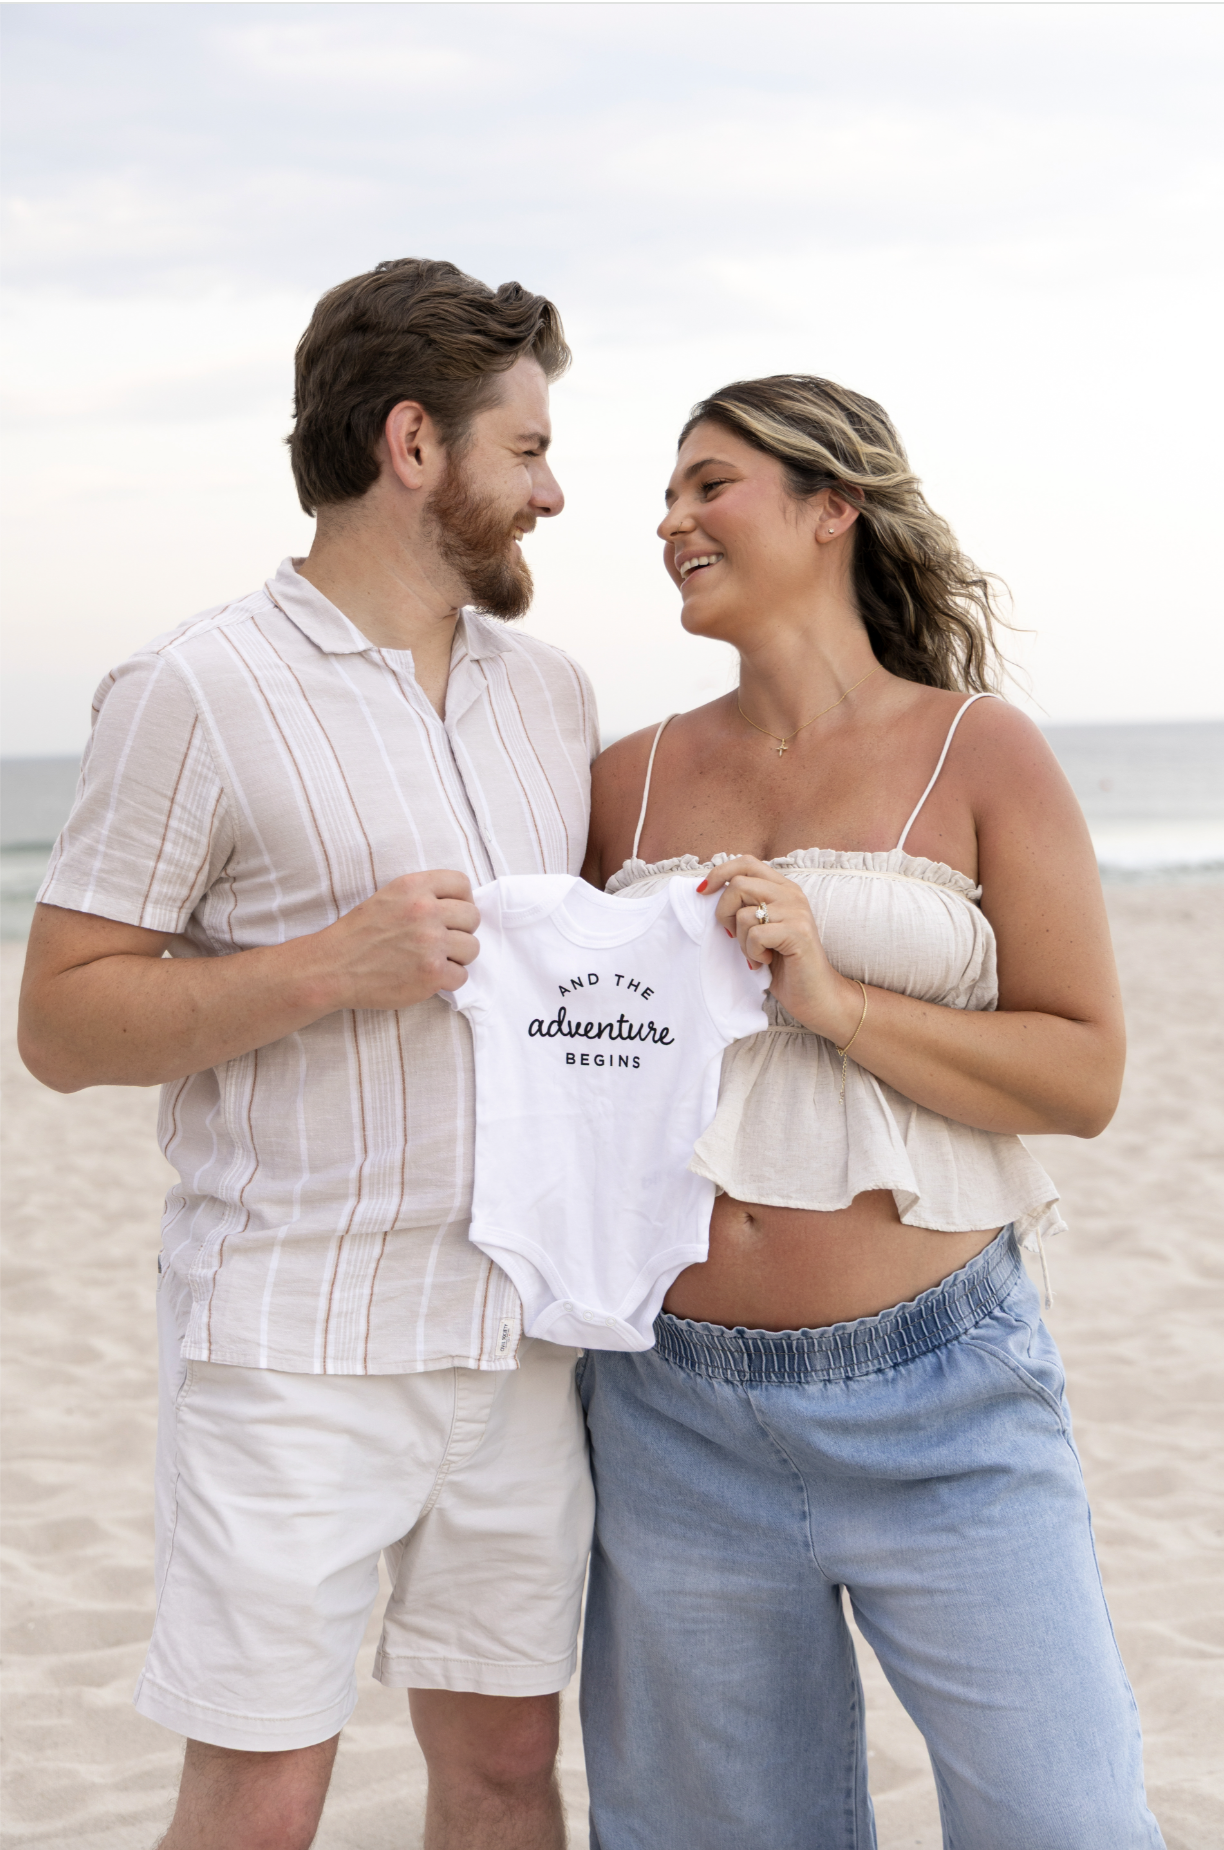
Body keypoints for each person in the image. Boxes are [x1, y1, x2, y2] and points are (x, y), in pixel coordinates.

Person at [18, 258, 598, 1850]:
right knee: (267, 1791)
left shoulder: (549, 697)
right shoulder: (194, 686)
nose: (556, 490)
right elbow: (60, 1017)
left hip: (518, 1337)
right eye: (529, 448)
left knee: (500, 1771)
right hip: (289, 1342)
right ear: (415, 444)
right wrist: (324, 967)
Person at [578, 374, 1165, 1849]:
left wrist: (838, 1002)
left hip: (946, 1400)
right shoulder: (623, 781)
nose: (671, 521)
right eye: (668, 494)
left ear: (832, 505)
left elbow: (1084, 1073)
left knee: (1068, 1821)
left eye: (709, 484)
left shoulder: (984, 752)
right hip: (669, 1410)